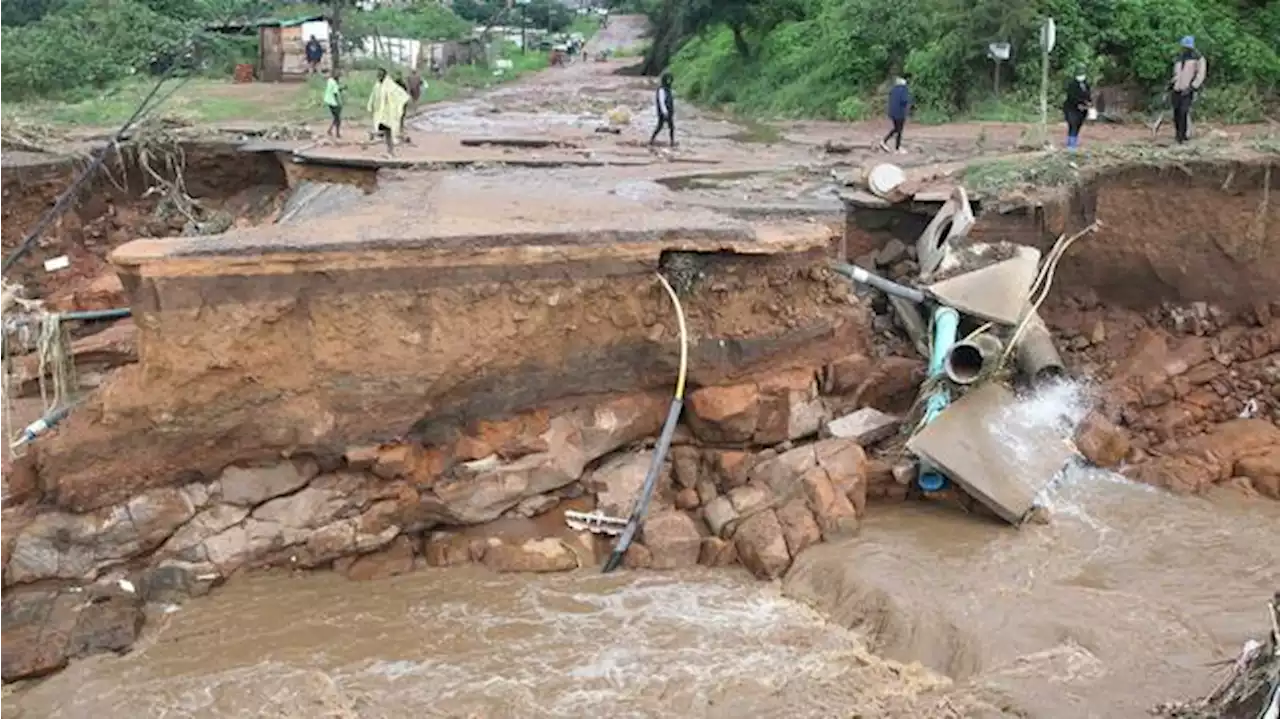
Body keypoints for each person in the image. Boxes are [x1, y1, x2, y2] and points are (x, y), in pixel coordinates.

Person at [1170, 36, 1207, 144]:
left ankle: (1183, 135)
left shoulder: (1198, 58)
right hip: (1177, 89)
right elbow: (1176, 74)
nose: (1185, 49)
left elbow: (1201, 74)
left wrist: (1193, 87)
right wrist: (1171, 83)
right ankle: (1178, 135)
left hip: (1188, 89)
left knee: (1183, 112)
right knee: (1176, 113)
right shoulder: (1179, 58)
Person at [367, 68, 411, 156]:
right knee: (385, 131)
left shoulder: (390, 84)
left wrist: (401, 102)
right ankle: (388, 149)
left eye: (380, 74)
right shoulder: (377, 85)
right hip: (379, 112)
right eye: (378, 74)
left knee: (388, 132)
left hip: (389, 112)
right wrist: (370, 106)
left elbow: (399, 94)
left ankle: (390, 150)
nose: (378, 76)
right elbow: (373, 96)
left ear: (384, 75)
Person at [1062, 67, 1092, 150]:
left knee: (1078, 125)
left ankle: (1073, 141)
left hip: (1082, 110)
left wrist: (1088, 103)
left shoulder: (1086, 84)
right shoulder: (1072, 85)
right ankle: (1071, 145)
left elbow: (1088, 95)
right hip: (1071, 108)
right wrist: (1079, 103)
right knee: (1073, 124)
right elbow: (1071, 97)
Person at [880, 75, 911, 154]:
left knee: (896, 129)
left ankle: (884, 141)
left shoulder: (893, 89)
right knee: (899, 130)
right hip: (900, 113)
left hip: (892, 113)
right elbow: (904, 100)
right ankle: (897, 148)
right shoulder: (904, 89)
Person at [650, 73, 676, 147]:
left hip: (669, 111)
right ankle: (652, 139)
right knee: (660, 126)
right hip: (663, 112)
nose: (669, 81)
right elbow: (661, 101)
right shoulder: (661, 89)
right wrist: (665, 112)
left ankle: (672, 141)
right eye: (668, 80)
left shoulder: (668, 89)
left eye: (670, 80)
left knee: (671, 127)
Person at [323, 69, 343, 139]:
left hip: (328, 101)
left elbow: (335, 89)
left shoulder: (330, 80)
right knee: (338, 119)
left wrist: (342, 88)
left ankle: (330, 130)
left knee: (336, 117)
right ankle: (337, 133)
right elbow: (335, 93)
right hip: (333, 102)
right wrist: (338, 103)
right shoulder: (334, 82)